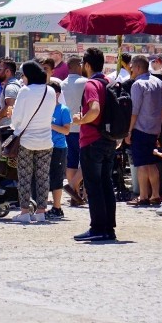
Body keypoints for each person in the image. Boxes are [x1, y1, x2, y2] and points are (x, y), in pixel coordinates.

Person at [72, 47, 118, 242]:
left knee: (94, 185)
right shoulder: (108, 82)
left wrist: (80, 120)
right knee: (106, 184)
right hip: (109, 139)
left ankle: (97, 227)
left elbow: (95, 109)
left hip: (92, 140)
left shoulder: (92, 84)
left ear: (88, 65)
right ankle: (108, 228)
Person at [8, 61, 56, 224]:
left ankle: (24, 212)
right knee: (43, 177)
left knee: (24, 177)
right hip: (46, 140)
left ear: (28, 75)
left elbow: (16, 119)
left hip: (26, 141)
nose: (22, 78)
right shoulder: (50, 90)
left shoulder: (25, 91)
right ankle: (41, 212)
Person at [126, 55, 162, 206]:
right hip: (154, 128)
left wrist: (129, 131)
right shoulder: (158, 82)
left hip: (140, 128)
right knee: (151, 162)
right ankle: (155, 194)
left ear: (138, 67)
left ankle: (143, 196)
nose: (131, 71)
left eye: (132, 68)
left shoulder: (138, 85)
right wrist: (158, 126)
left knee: (141, 163)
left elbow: (134, 111)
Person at [61, 56, 88, 206]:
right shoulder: (86, 82)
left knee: (71, 161)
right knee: (87, 160)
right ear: (79, 66)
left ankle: (75, 195)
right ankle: (78, 189)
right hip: (83, 126)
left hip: (67, 127)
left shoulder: (62, 84)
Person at [47, 80, 72, 219]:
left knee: (57, 177)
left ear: (57, 94)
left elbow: (66, 130)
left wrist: (50, 125)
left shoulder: (63, 109)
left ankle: (57, 207)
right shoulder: (44, 109)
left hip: (58, 147)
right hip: (44, 146)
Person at [0, 59, 19, 129]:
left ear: (7, 71)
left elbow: (9, 106)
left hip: (9, 128)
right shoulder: (10, 85)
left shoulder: (11, 87)